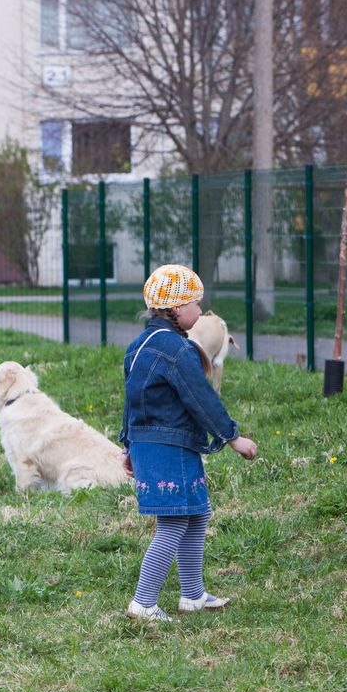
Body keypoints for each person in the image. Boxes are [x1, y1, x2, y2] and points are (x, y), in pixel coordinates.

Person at [119, 265, 258, 621]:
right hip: (170, 447)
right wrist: (233, 437)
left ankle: (193, 595)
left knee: (196, 515)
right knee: (174, 523)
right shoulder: (176, 349)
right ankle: (144, 602)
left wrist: (128, 445)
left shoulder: (139, 345)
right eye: (196, 303)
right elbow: (201, 398)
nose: (201, 310)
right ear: (177, 309)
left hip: (154, 444)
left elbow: (132, 399)